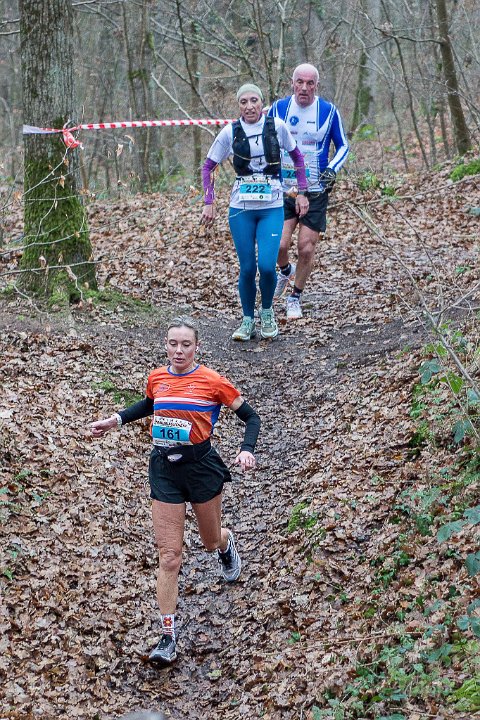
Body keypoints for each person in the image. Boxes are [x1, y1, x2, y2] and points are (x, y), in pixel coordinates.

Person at [90, 316, 260, 665]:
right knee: (169, 556)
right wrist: (116, 420)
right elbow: (150, 405)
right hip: (164, 468)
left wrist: (247, 449)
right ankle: (167, 637)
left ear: (197, 347)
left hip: (200, 468)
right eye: (173, 344)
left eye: (186, 344)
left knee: (209, 540)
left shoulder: (213, 381)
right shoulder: (157, 377)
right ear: (166, 346)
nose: (178, 350)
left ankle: (225, 545)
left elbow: (251, 417)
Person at [201, 82, 309, 341]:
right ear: (238, 105)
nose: (249, 106)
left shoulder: (277, 126)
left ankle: (267, 312)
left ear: (262, 103)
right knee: (248, 268)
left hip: (271, 206)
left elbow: (298, 157)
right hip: (241, 209)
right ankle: (247, 319)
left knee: (267, 267)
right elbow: (208, 166)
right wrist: (209, 200)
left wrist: (302, 191)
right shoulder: (230, 132)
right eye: (243, 102)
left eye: (254, 101)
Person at [268, 63, 349, 319]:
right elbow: (265, 139)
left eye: (310, 83)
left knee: (305, 248)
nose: (304, 88)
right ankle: (285, 271)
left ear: (316, 85)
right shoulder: (278, 108)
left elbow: (343, 146)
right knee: (279, 244)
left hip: (315, 189)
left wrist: (332, 169)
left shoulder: (328, 111)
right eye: (300, 82)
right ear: (292, 83)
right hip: (285, 189)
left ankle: (295, 297)